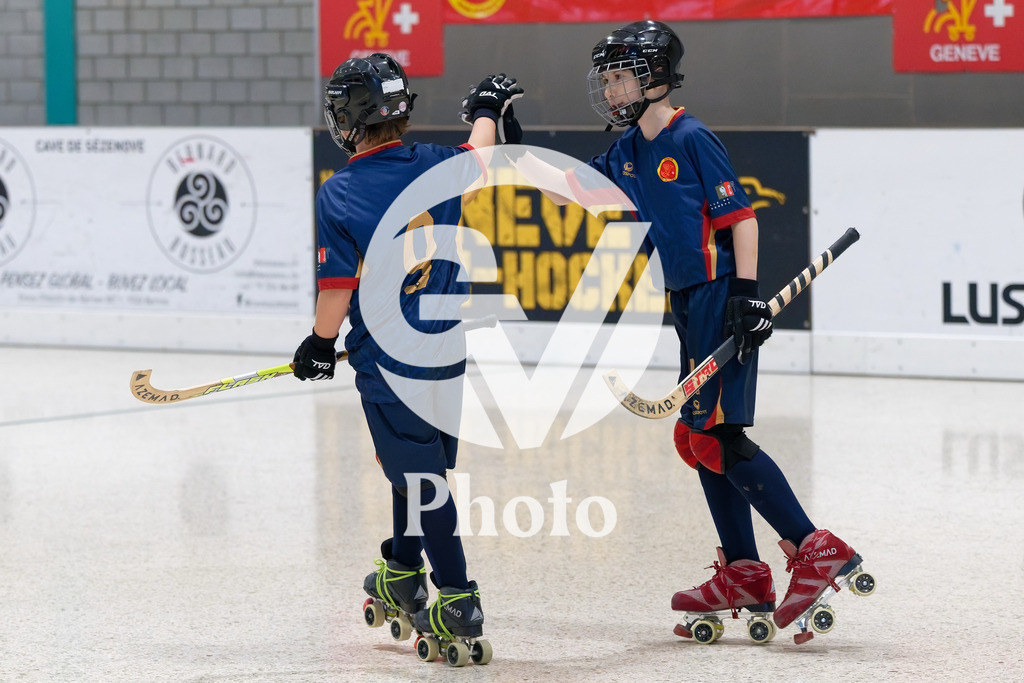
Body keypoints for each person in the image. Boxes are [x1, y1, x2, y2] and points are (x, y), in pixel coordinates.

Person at [525, 20, 870, 644]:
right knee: (698, 438)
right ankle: (744, 572)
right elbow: (575, 189)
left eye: (620, 76)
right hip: (684, 300)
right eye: (605, 78)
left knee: (717, 435)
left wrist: (745, 296)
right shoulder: (628, 150)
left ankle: (815, 548)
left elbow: (742, 219)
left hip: (718, 295)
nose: (610, 89)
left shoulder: (692, 137)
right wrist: (515, 146)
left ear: (655, 77)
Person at [291, 52, 521, 663]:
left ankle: (456, 597)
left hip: (389, 362)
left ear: (353, 119)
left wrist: (318, 343)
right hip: (446, 349)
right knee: (418, 470)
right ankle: (401, 565)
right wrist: (487, 108)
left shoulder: (339, 192)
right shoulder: (437, 165)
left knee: (419, 479)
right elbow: (482, 152)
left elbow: (337, 286)